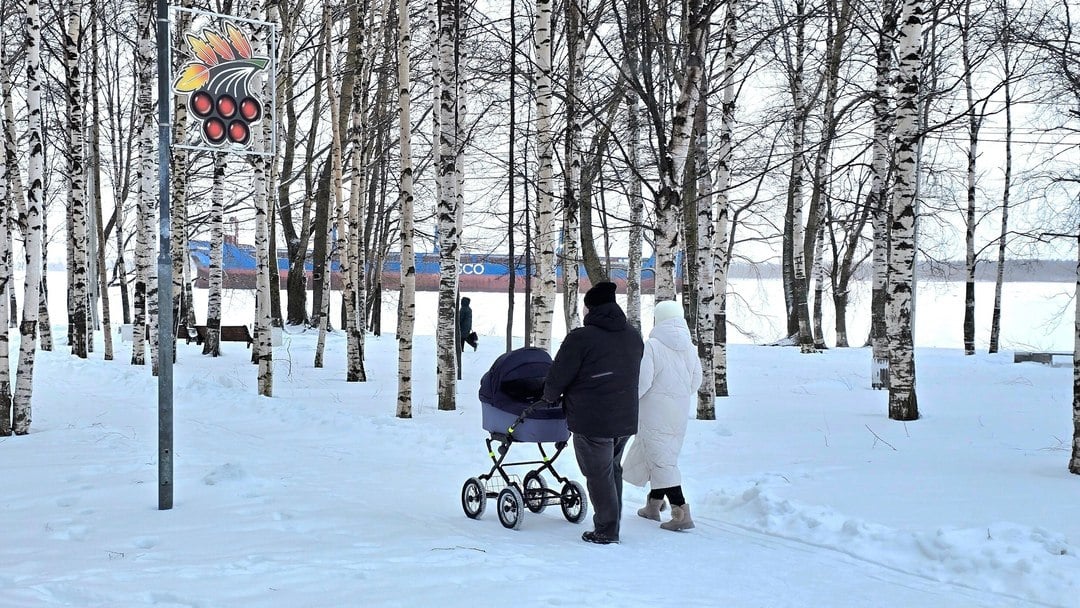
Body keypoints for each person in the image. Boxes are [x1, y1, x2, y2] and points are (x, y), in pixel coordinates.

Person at [542, 281, 644, 544]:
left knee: (599, 475)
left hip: (593, 419)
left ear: (591, 308)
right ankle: (613, 523)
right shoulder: (633, 336)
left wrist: (549, 397)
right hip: (625, 418)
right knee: (612, 471)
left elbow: (558, 376)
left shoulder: (581, 338)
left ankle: (607, 530)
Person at [622, 299, 703, 531]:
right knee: (661, 456)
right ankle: (653, 505)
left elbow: (643, 381)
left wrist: (630, 400)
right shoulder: (689, 347)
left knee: (662, 461)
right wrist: (678, 396)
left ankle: (681, 513)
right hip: (678, 412)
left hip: (653, 412)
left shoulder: (653, 345)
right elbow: (695, 380)